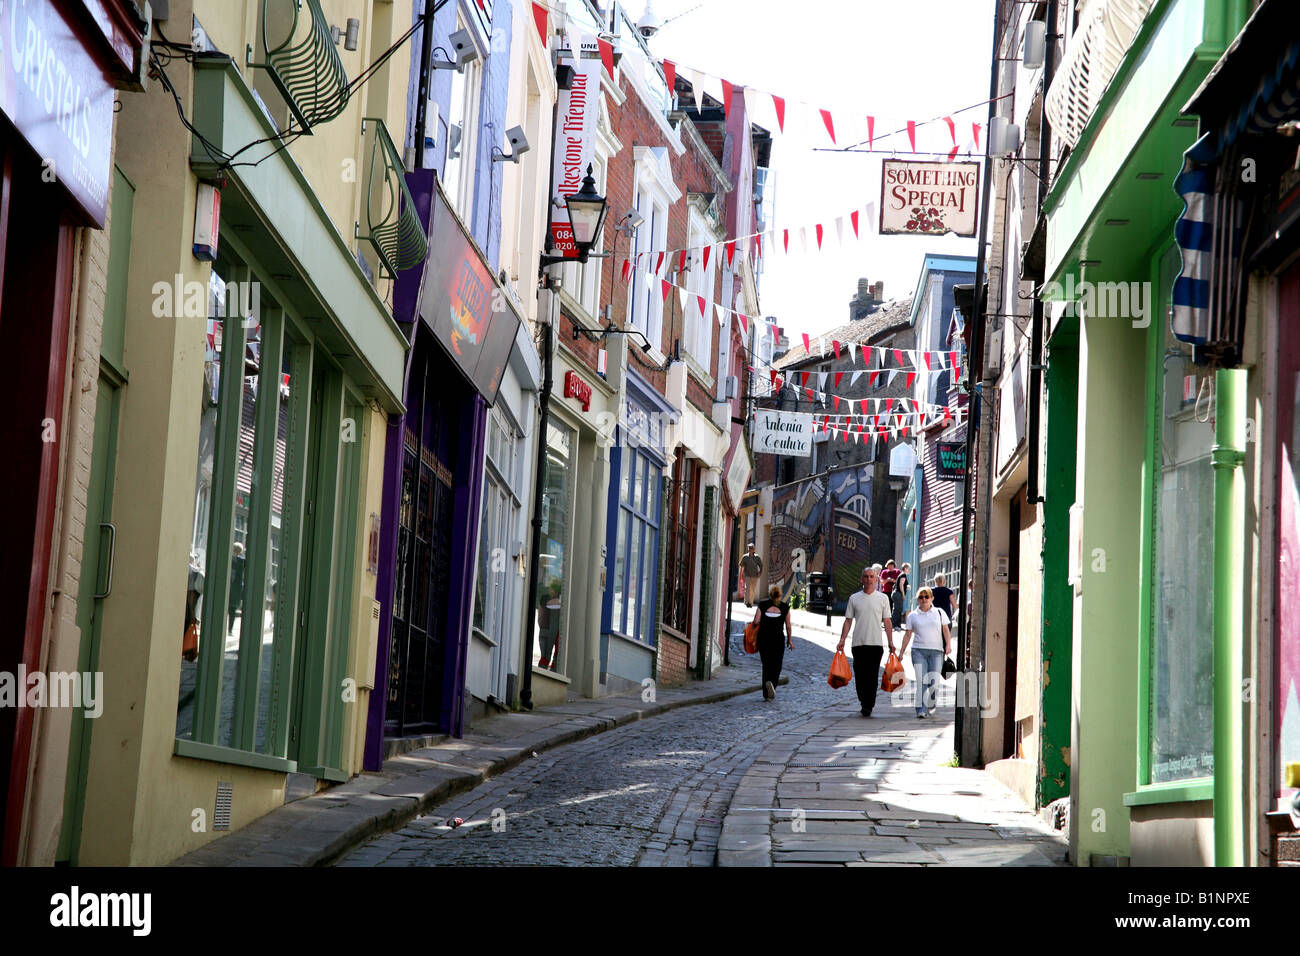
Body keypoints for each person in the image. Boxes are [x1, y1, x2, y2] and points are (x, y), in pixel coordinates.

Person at [837, 566, 895, 717]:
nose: (869, 579)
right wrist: (842, 640)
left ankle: (868, 704)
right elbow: (848, 621)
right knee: (860, 675)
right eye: (866, 576)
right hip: (858, 644)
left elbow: (887, 621)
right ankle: (863, 700)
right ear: (861, 579)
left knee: (872, 675)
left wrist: (890, 642)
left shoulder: (883, 599)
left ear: (876, 580)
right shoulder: (854, 598)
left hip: (876, 644)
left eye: (871, 576)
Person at [899, 587, 952, 719]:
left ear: (931, 598)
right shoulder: (912, 615)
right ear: (917, 599)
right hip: (918, 651)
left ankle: (931, 702)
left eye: (926, 596)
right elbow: (907, 635)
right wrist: (901, 652)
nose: (924, 599)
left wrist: (948, 645)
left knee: (934, 681)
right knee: (922, 680)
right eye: (921, 597)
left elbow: (945, 630)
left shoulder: (939, 612)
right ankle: (921, 709)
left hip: (937, 652)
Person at [751, 584, 794, 700]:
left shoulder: (762, 605)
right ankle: (772, 685)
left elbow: (756, 621)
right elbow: (788, 626)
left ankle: (766, 693)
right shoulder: (785, 607)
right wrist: (790, 640)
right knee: (777, 665)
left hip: (763, 639)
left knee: (766, 665)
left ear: (770, 594)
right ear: (780, 595)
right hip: (778, 640)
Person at [740, 543, 764, 608]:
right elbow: (741, 566)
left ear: (754, 549)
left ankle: (750, 603)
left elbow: (761, 566)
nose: (750, 549)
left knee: (752, 590)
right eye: (749, 548)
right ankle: (747, 602)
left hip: (755, 576)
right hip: (747, 575)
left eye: (751, 548)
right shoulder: (745, 557)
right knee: (747, 588)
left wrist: (760, 573)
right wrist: (741, 575)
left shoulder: (757, 557)